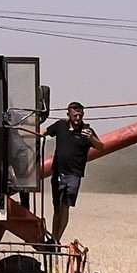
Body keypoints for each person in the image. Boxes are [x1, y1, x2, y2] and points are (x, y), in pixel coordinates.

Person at [46, 103, 103, 240]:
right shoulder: (60, 126)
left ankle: (56, 239)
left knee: (65, 205)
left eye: (80, 115)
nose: (78, 118)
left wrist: (91, 138)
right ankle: (53, 238)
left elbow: (101, 146)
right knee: (57, 208)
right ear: (68, 115)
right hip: (58, 173)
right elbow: (43, 133)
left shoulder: (87, 130)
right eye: (75, 115)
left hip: (74, 175)